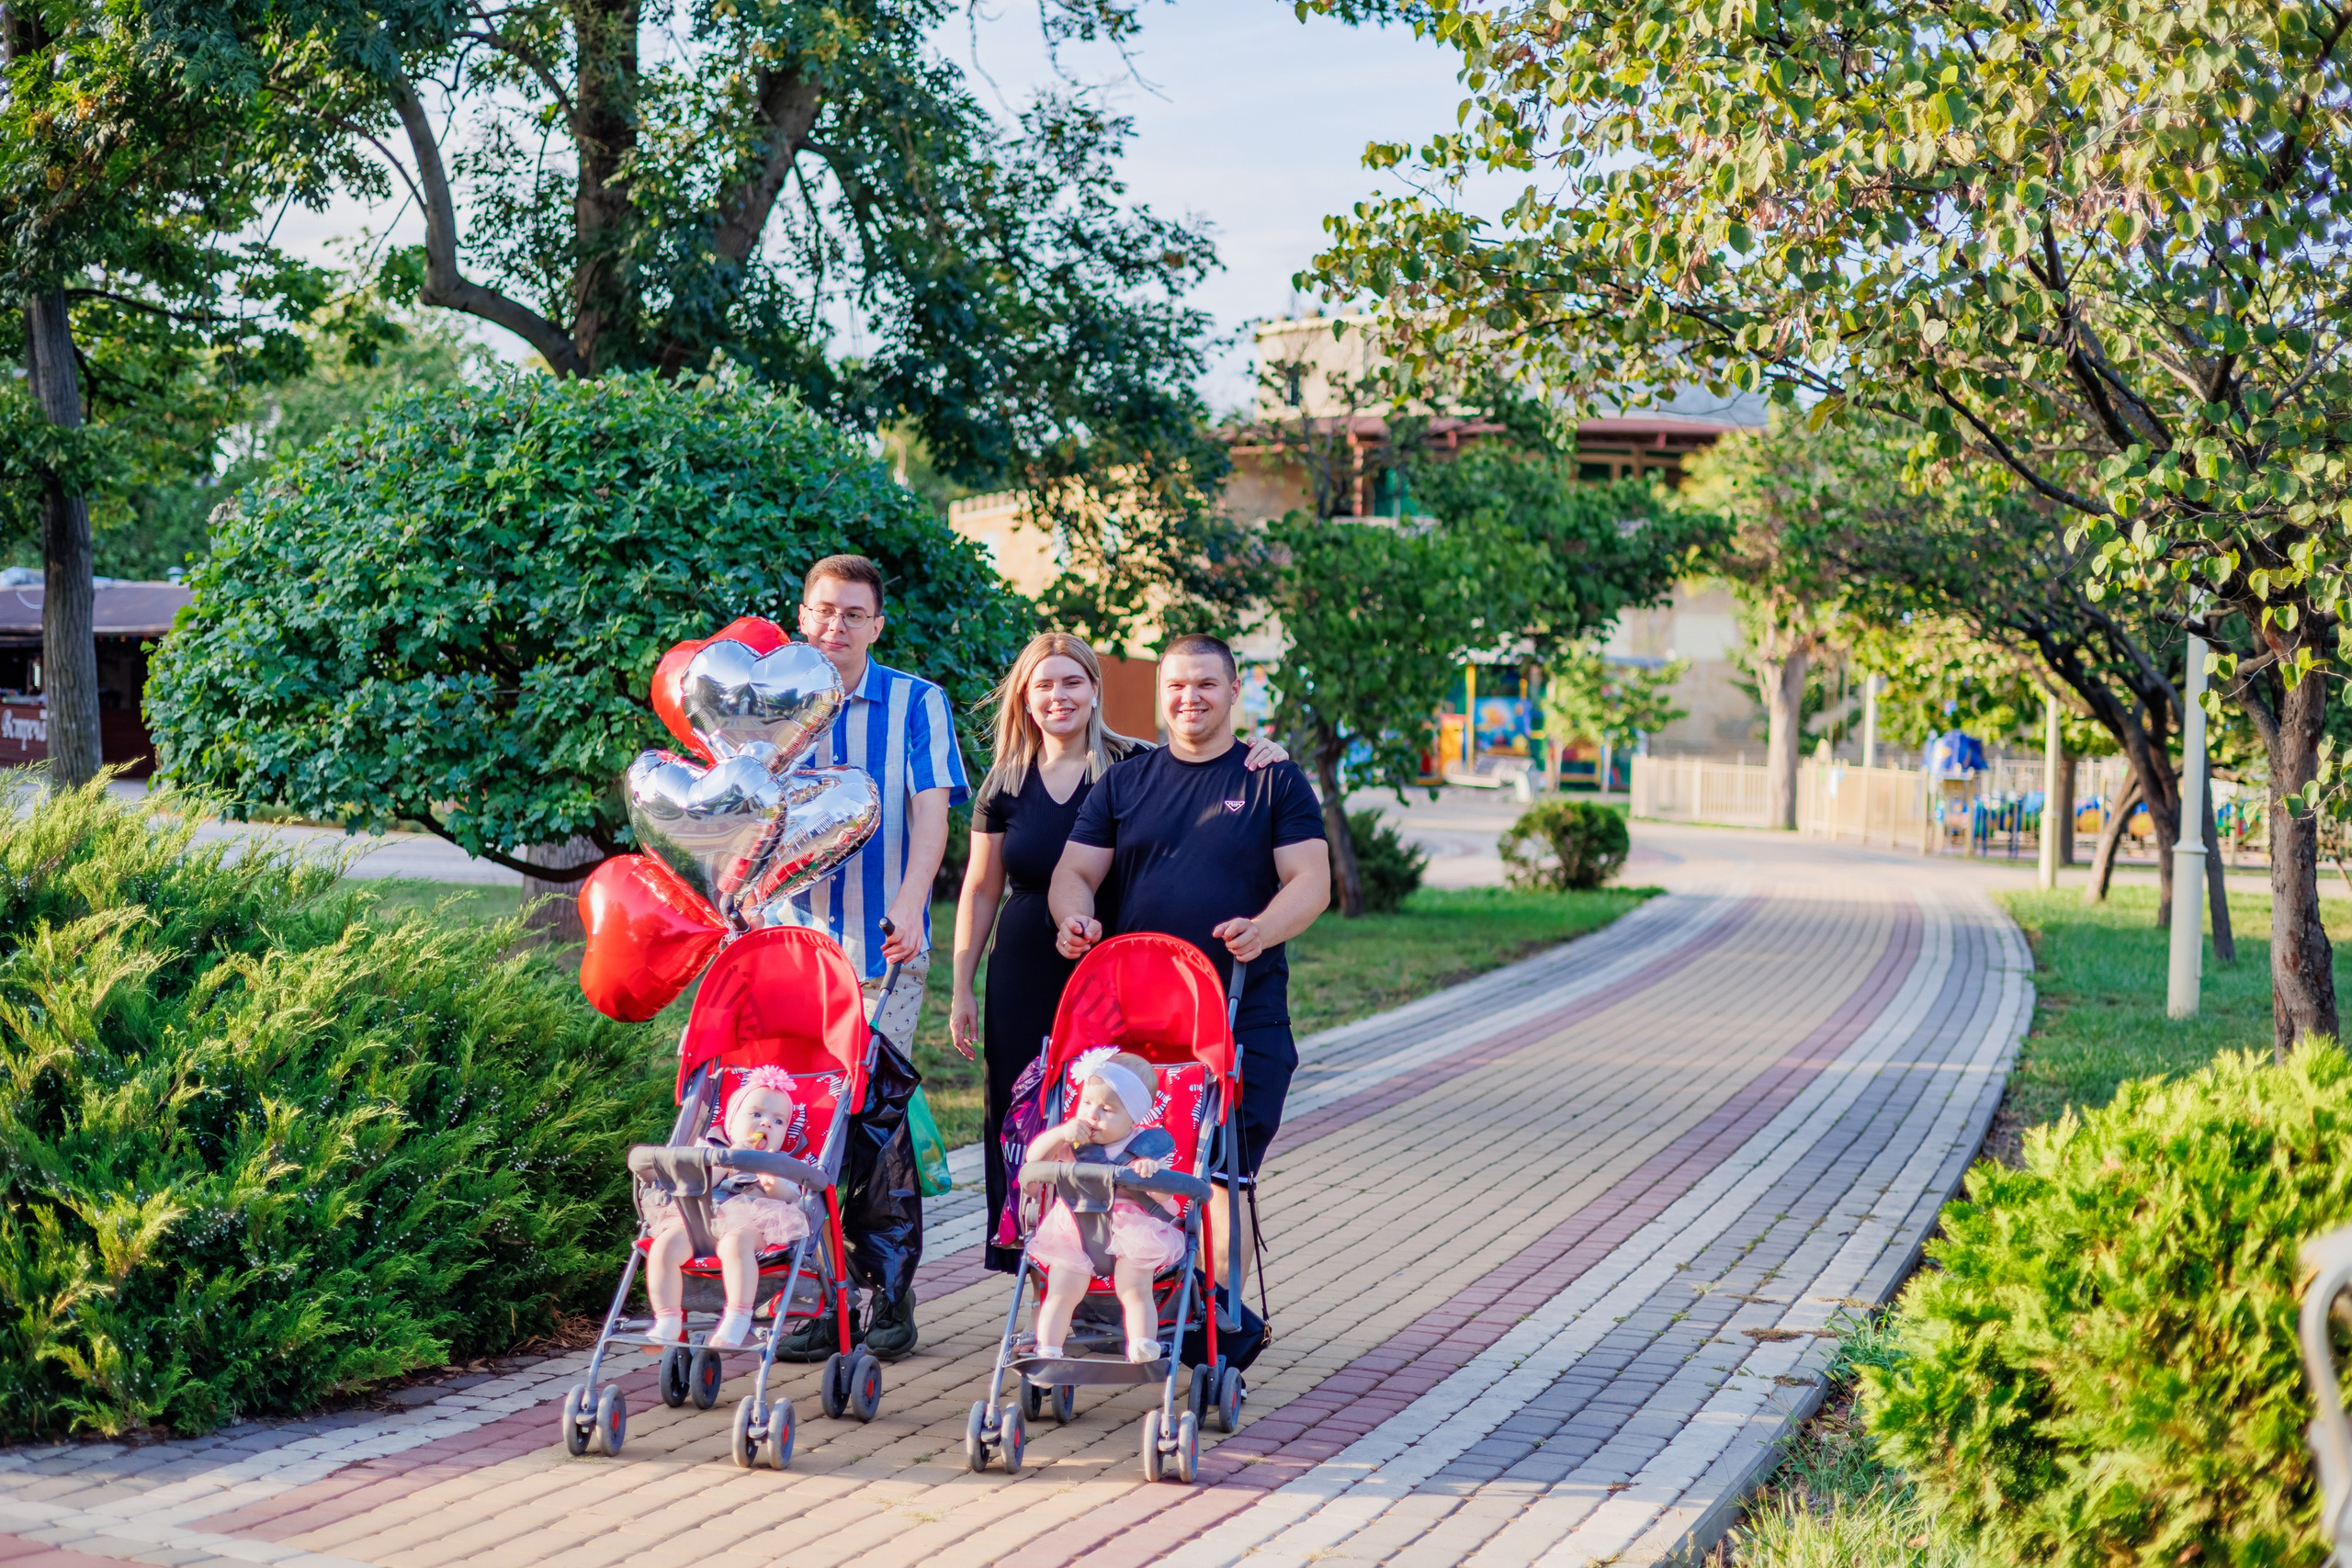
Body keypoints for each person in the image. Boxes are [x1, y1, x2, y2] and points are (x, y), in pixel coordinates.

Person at [949, 632, 1285, 1274]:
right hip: (1025, 962)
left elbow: (1205, 774)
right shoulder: (1005, 780)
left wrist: (1266, 752)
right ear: (1025, 694)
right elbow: (980, 886)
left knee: (1107, 1110)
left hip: (1109, 968)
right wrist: (962, 983)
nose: (1059, 696)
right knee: (1027, 1116)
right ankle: (1037, 1263)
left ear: (1095, 690)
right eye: (1044, 683)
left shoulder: (1131, 764)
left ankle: (1121, 1256)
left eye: (1072, 681)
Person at [1047, 634, 1329, 1297]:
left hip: (1239, 1013)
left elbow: (1310, 881)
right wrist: (1074, 916)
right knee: (1120, 1173)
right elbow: (1074, 871)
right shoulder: (1126, 781)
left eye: (1205, 684)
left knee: (1223, 1177)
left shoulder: (1272, 778)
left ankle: (1220, 1325)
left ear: (1234, 691)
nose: (1189, 697)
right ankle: (1126, 1308)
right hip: (1136, 1025)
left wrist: (1262, 930)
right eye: (1176, 684)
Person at [773, 554, 967, 1362]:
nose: (836, 627)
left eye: (854, 614)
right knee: (797, 1118)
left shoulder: (918, 703)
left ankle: (886, 1292)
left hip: (886, 948)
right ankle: (817, 1292)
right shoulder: (775, 700)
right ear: (803, 616)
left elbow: (932, 812)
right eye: (824, 611)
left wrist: (915, 901)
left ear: (876, 626)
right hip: (789, 952)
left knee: (872, 1124)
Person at [1023, 1051, 1185, 1363]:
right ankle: (1048, 1350)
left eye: (1106, 1109)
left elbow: (1165, 1198)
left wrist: (1150, 1175)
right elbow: (1034, 1159)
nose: (1092, 1115)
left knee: (1134, 1289)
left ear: (1134, 1117)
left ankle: (1141, 1343)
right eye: (1086, 1103)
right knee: (1060, 1290)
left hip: (1133, 1233)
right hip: (1076, 1229)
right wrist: (1060, 1133)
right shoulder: (1071, 1142)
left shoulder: (1145, 1148)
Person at [644, 1069, 810, 1350]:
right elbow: (696, 1182)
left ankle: (737, 1315)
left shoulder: (780, 1162)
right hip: (699, 1219)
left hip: (751, 1221)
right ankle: (667, 1318)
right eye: (756, 1114)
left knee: (735, 1244)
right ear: (731, 1121)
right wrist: (727, 1158)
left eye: (778, 1121)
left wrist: (772, 1185)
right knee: (663, 1246)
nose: (766, 1124)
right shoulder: (708, 1149)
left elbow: (793, 1197)